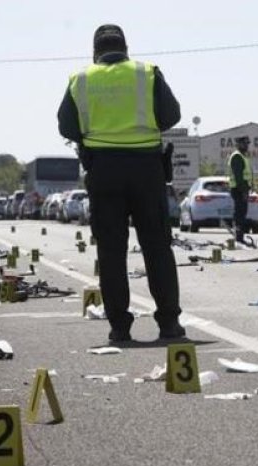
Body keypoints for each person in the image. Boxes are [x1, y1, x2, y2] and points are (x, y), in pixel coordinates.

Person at [57, 24, 185, 343]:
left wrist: (97, 133)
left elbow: (66, 126)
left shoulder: (81, 79)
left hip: (103, 170)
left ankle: (119, 327)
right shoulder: (147, 72)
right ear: (126, 48)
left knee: (112, 251)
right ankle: (168, 323)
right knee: (157, 247)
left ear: (94, 51)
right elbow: (171, 115)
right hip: (146, 169)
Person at [227, 135, 253, 243]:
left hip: (242, 189)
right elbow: (239, 176)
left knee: (242, 212)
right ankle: (238, 237)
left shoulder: (243, 156)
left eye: (247, 144)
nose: (246, 146)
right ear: (238, 145)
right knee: (240, 213)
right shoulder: (237, 156)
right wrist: (243, 191)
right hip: (238, 189)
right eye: (244, 144)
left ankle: (239, 236)